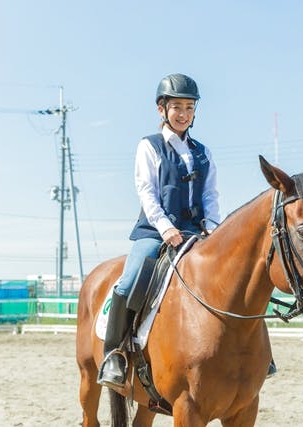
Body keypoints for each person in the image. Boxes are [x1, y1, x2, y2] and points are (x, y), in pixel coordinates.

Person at [98, 73, 221, 389]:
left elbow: (210, 195)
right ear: (162, 109)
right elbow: (146, 190)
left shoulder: (204, 153)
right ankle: (115, 355)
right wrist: (165, 228)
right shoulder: (149, 146)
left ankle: (258, 355)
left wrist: (213, 228)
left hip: (196, 232)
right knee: (128, 282)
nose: (183, 114)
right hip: (155, 231)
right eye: (177, 106)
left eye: (189, 108)